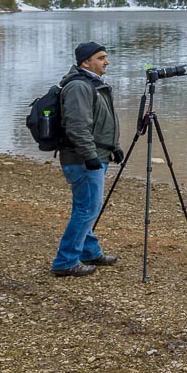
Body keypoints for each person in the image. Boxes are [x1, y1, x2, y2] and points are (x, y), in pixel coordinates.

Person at [50, 41, 123, 278]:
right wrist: (90, 156)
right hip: (82, 159)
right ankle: (65, 261)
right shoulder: (79, 86)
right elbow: (77, 126)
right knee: (86, 209)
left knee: (87, 207)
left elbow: (101, 123)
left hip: (93, 156)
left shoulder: (92, 84)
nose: (106, 61)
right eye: (101, 58)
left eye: (106, 57)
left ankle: (90, 251)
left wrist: (114, 147)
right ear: (85, 62)